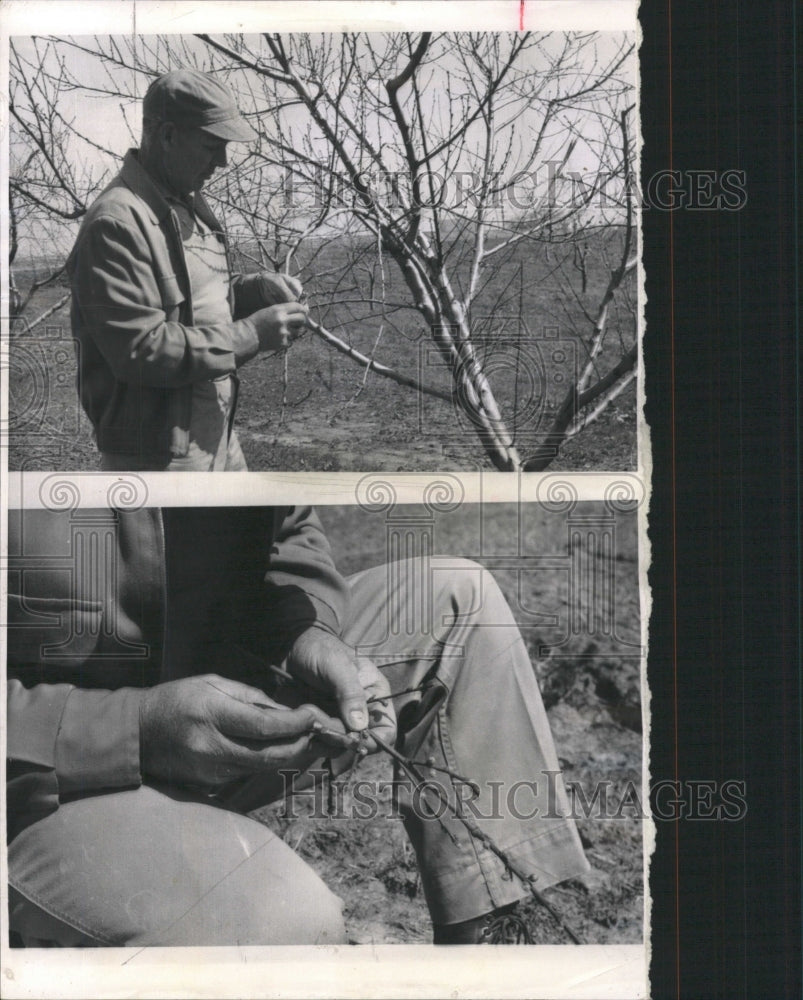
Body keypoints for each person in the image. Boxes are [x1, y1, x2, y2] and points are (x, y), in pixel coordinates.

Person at [6, 505, 589, 946]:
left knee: (461, 605)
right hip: (46, 777)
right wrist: (136, 728)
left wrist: (302, 633)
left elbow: (289, 535)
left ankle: (496, 954)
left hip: (221, 695)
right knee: (279, 920)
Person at [68, 69, 307, 471]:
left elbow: (195, 301)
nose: (224, 161)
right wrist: (253, 334)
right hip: (160, 455)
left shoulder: (186, 202)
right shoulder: (115, 224)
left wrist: (255, 291)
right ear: (167, 136)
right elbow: (141, 349)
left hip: (218, 435)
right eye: (212, 145)